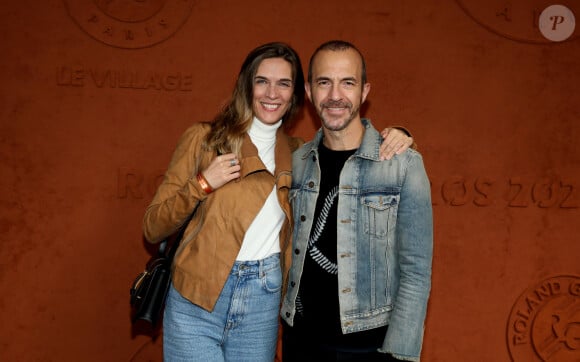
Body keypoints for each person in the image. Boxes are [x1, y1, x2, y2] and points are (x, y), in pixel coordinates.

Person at [142, 42, 413, 362]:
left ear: (297, 95)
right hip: (197, 300)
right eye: (262, 81)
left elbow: (349, 150)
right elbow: (153, 226)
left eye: (283, 83)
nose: (272, 93)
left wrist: (398, 135)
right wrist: (202, 183)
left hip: (263, 303)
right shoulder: (204, 139)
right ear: (247, 85)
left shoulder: (300, 153)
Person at [280, 40, 433, 362]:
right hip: (300, 342)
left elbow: (416, 271)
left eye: (347, 82)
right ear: (309, 91)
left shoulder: (403, 165)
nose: (335, 95)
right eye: (325, 82)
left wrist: (400, 353)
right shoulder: (296, 162)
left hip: (370, 347)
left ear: (364, 92)